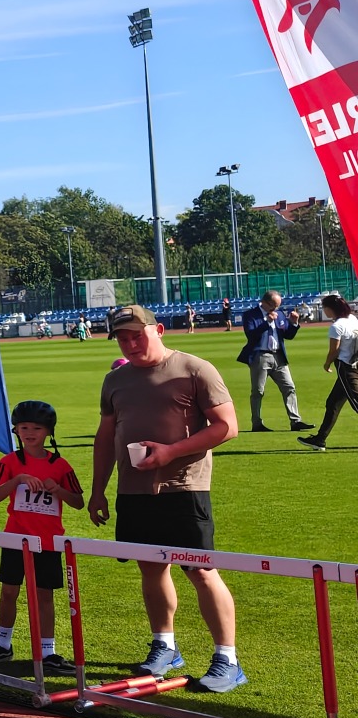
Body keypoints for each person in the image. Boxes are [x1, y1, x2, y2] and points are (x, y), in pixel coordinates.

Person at [89, 305, 244, 693]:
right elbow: (106, 437)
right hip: (133, 490)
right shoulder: (115, 380)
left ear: (158, 329)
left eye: (136, 334)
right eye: (123, 337)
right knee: (151, 568)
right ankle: (165, 646)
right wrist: (98, 491)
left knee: (201, 570)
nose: (130, 342)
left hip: (184, 487)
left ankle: (228, 659)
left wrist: (170, 452)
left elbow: (228, 427)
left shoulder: (194, 369)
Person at [0, 399, 83, 671]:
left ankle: (48, 652)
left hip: (48, 542)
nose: (29, 432)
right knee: (9, 592)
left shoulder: (60, 466)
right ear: (16, 431)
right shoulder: (8, 462)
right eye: (23, 427)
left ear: (48, 431)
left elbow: (77, 501)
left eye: (37, 427)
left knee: (44, 596)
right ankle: (3, 645)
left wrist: (57, 490)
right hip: (15, 538)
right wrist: (18, 480)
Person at [236, 290, 308, 432]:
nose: (276, 309)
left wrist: (294, 324)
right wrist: (267, 322)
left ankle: (295, 421)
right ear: (264, 302)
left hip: (279, 356)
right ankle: (257, 423)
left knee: (289, 387)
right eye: (273, 306)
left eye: (277, 306)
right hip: (260, 356)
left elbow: (287, 335)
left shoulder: (280, 314)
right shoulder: (251, 315)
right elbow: (251, 335)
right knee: (258, 391)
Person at [299, 292, 358, 451]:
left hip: (346, 367)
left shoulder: (336, 326)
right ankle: (320, 439)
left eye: (325, 307)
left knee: (356, 402)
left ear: (330, 309)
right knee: (333, 402)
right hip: (355, 362)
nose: (324, 310)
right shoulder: (352, 319)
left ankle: (320, 439)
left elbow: (334, 351)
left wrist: (326, 364)